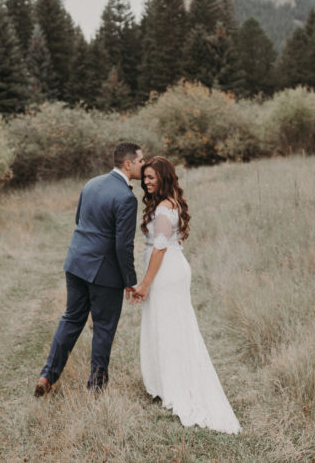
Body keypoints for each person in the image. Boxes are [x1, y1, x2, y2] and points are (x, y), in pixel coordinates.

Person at [131, 156, 241, 434]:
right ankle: (167, 380)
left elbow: (160, 249)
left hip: (166, 273)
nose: (146, 182)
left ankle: (176, 384)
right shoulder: (169, 203)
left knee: (170, 328)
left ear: (164, 177)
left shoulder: (165, 208)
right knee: (170, 326)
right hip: (173, 270)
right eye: (144, 177)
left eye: (151, 177)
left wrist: (144, 284)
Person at [34, 142, 144, 396]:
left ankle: (47, 376)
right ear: (128, 164)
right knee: (104, 327)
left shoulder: (91, 183)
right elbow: (123, 246)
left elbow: (79, 222)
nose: (143, 165)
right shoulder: (126, 198)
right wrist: (130, 280)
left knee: (71, 318)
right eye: (140, 161)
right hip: (104, 273)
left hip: (76, 264)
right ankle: (96, 387)